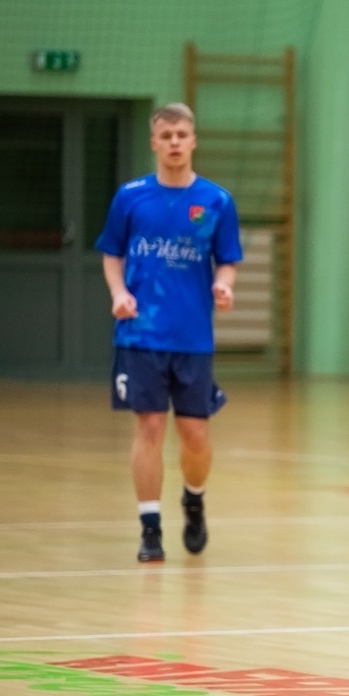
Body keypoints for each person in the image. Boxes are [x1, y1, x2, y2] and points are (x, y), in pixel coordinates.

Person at [97, 103, 241, 564]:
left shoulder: (216, 201)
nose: (175, 142)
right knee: (151, 425)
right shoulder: (131, 197)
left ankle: (193, 500)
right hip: (141, 335)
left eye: (182, 134)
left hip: (193, 336)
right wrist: (118, 292)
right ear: (154, 143)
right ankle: (150, 527)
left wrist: (223, 284)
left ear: (194, 140)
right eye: (167, 136)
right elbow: (112, 253)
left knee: (195, 434)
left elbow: (228, 259)